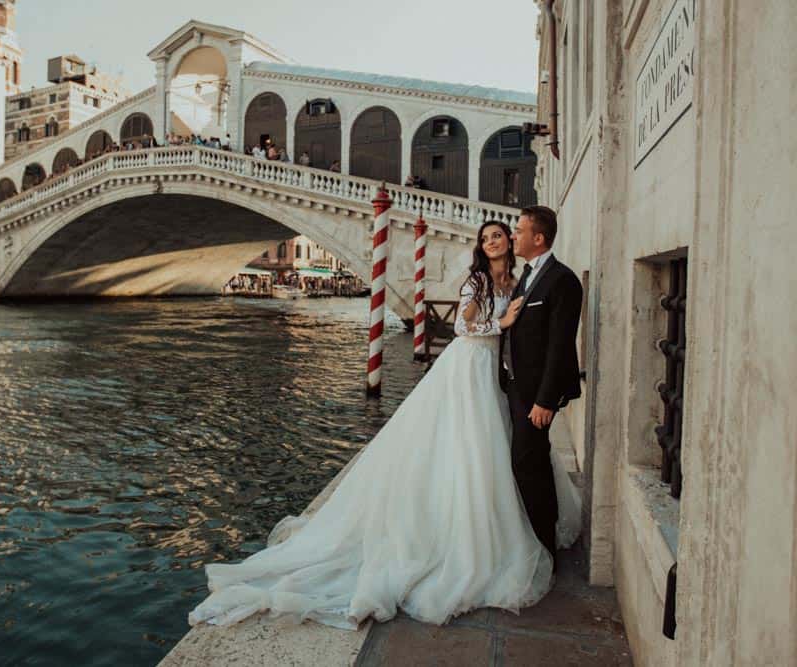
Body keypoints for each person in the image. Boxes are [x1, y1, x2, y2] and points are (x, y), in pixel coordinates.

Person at [188, 215, 582, 630]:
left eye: (501, 235)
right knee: (467, 449)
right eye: (488, 238)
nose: (496, 242)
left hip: (499, 377)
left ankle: (514, 531)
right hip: (469, 366)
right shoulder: (478, 281)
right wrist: (500, 323)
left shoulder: (518, 281)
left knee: (497, 453)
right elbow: (463, 325)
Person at [500, 206, 583, 568]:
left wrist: (546, 400)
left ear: (538, 238)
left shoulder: (562, 280)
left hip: (536, 395)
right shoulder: (528, 275)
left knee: (527, 464)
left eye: (519, 231)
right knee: (530, 461)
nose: (512, 236)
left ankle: (543, 548)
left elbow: (560, 344)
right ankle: (535, 540)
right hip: (517, 386)